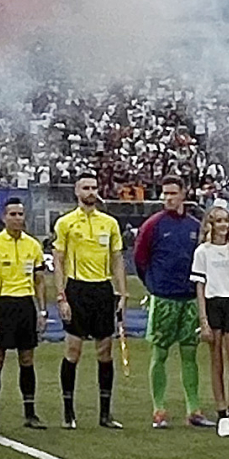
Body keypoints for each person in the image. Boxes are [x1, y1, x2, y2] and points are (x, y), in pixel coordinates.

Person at [51, 173, 127, 429]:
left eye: (94, 187)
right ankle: (68, 412)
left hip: (102, 290)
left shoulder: (109, 223)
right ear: (76, 191)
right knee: (73, 350)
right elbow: (58, 261)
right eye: (85, 187)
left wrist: (122, 292)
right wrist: (61, 296)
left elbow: (117, 259)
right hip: (77, 289)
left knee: (105, 351)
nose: (91, 192)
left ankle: (105, 414)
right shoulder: (66, 223)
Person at [131, 177, 206, 429]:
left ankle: (193, 409)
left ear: (184, 194)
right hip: (164, 297)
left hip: (190, 298)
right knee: (160, 352)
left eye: (173, 193)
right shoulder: (153, 225)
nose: (168, 198)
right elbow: (140, 259)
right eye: (165, 194)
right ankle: (159, 409)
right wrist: (153, 287)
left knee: (189, 353)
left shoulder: (196, 226)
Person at [0, 196, 49, 429]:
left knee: (27, 360)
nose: (17, 218)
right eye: (12, 214)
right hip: (2, 305)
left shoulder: (33, 245)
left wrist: (42, 311)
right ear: (4, 217)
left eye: (20, 214)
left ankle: (30, 413)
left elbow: (39, 281)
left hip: (25, 305)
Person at [190, 198, 229, 437]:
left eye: (226, 221)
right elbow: (200, 288)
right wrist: (203, 321)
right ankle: (222, 413)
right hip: (213, 304)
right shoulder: (202, 252)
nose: (223, 225)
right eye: (218, 221)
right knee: (216, 363)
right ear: (210, 225)